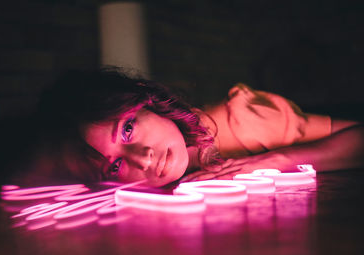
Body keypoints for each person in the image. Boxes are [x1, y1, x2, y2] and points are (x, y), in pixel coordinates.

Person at [34, 68, 364, 187]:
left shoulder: (245, 121)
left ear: (147, 101)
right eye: (115, 164)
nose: (143, 159)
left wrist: (274, 161)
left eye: (128, 129)